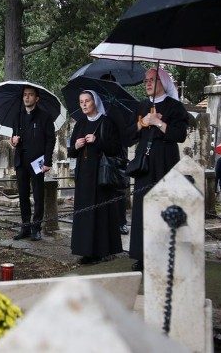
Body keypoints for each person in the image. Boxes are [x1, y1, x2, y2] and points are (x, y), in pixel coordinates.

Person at [126, 68, 188, 271]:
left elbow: (179, 135)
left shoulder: (175, 107)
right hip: (145, 162)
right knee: (143, 208)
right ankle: (142, 255)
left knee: (162, 207)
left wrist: (158, 122)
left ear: (163, 82)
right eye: (146, 81)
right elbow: (128, 137)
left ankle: (163, 255)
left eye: (152, 80)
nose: (148, 84)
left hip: (165, 162)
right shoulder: (142, 105)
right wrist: (142, 123)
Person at [68, 90, 123, 264]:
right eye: (81, 101)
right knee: (84, 214)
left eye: (87, 101)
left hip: (101, 176)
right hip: (84, 176)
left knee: (100, 213)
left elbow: (115, 148)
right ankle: (85, 251)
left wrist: (97, 141)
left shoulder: (106, 122)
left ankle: (101, 251)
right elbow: (71, 152)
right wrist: (76, 145)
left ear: (95, 103)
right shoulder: (80, 124)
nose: (84, 104)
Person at [10, 85, 56, 241]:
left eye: (30, 95)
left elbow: (51, 139)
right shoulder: (17, 116)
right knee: (23, 195)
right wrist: (13, 140)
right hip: (21, 161)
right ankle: (25, 227)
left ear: (37, 98)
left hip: (38, 161)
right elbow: (14, 137)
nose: (27, 97)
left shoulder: (45, 117)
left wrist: (48, 161)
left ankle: (36, 228)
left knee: (38, 195)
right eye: (24, 95)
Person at [100, 73, 131, 235]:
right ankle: (105, 221)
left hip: (117, 155)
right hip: (100, 154)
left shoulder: (120, 108)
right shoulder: (98, 106)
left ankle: (121, 222)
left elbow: (125, 135)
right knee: (103, 191)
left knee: (118, 191)